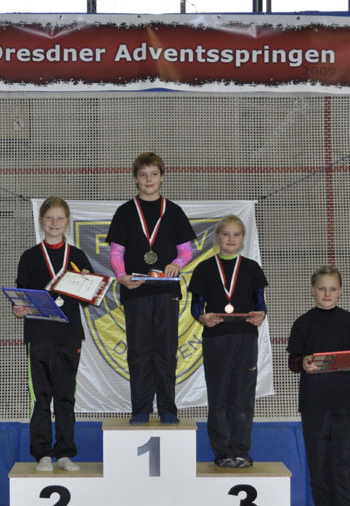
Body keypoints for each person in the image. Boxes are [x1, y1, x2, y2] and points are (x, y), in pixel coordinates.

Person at [106, 152, 195, 425]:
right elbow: (116, 253)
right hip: (136, 291)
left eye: (153, 174)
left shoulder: (174, 212)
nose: (148, 179)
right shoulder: (124, 212)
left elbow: (186, 251)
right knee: (138, 352)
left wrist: (176, 264)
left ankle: (168, 408)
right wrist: (121, 277)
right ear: (135, 178)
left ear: (162, 177)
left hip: (166, 292)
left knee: (166, 352)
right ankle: (141, 409)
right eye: (143, 175)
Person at [288, 265, 350, 506]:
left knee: (346, 460)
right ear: (312, 290)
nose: (327, 293)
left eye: (332, 289)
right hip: (314, 403)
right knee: (319, 459)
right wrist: (304, 362)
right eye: (322, 289)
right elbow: (293, 362)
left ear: (340, 291)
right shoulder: (303, 323)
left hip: (346, 401)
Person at [13, 196, 93, 472]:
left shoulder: (78, 257)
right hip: (39, 335)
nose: (54, 223)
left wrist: (86, 282)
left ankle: (65, 453)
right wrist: (18, 309)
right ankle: (43, 454)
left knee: (66, 395)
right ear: (41, 221)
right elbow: (20, 297)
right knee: (41, 396)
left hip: (69, 335)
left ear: (67, 222)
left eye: (59, 218)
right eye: (49, 218)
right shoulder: (30, 257)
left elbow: (89, 299)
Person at [189, 215, 268, 468]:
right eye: (225, 234)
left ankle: (241, 451)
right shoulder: (204, 268)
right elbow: (196, 306)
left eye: (236, 234)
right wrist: (202, 317)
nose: (231, 239)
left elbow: (260, 304)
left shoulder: (252, 268)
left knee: (243, 397)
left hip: (245, 338)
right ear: (217, 237)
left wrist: (260, 315)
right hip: (216, 339)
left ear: (243, 238)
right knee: (219, 396)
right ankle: (223, 452)